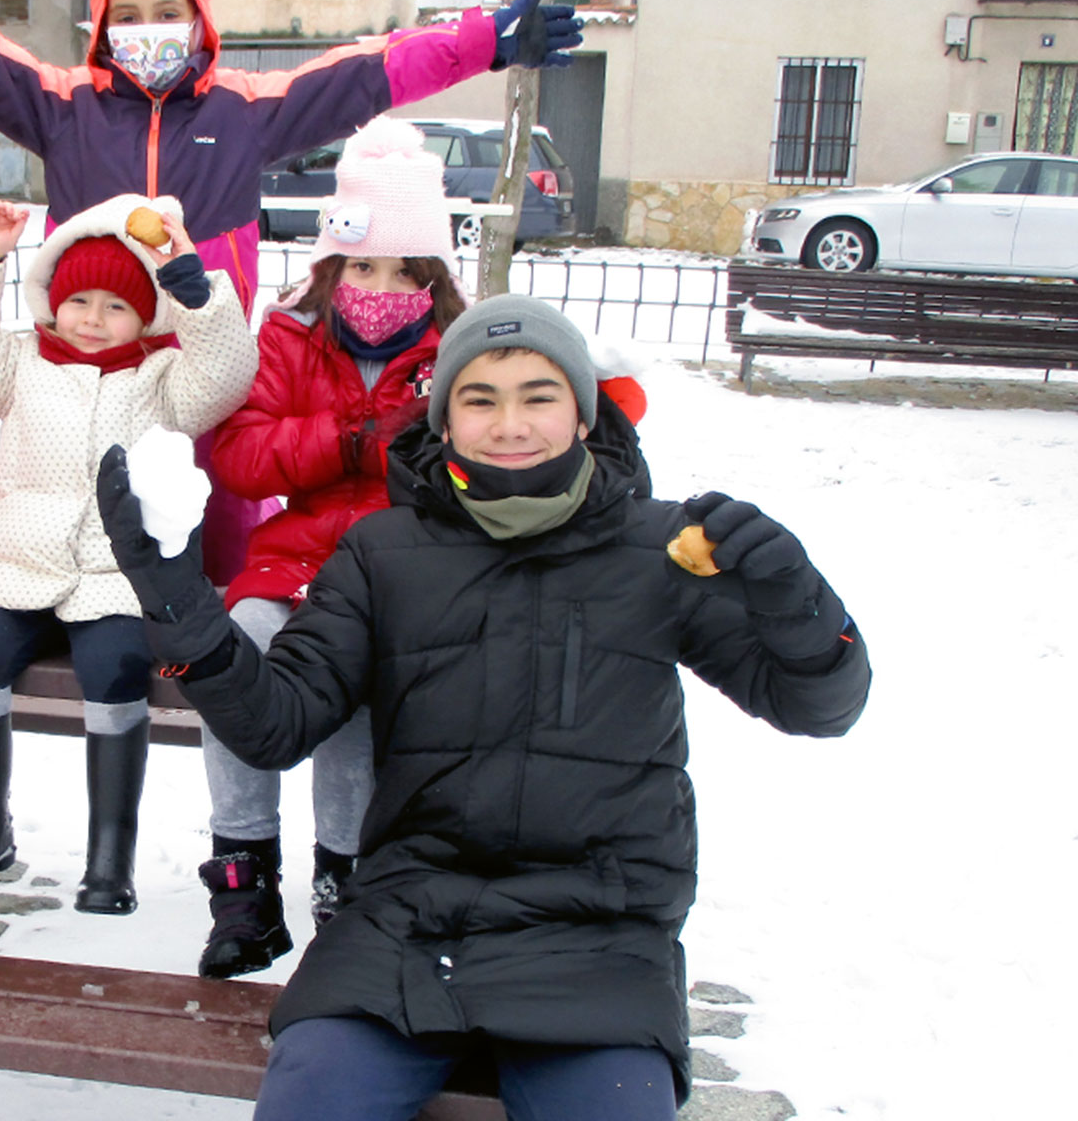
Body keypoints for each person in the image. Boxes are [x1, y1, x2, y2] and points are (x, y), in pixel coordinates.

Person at [95, 293, 870, 1119]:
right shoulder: (382, 551)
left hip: (597, 936)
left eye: (539, 396)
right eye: (479, 399)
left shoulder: (662, 550)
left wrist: (795, 597)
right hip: (404, 920)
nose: (510, 424)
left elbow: (819, 707)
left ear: (583, 414)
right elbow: (275, 725)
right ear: (444, 419)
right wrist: (176, 597)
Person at [0, 0, 583, 585]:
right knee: (80, 526)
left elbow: (370, 71)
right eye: (128, 15)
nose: (148, 30)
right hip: (89, 374)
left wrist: (489, 42)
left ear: (199, 17)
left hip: (199, 382)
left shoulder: (247, 110)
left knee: (220, 538)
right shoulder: (62, 108)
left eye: (167, 12)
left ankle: (220, 666)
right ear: (103, 25)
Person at [0, 194, 257, 914]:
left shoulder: (164, 381)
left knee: (116, 666)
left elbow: (227, 373)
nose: (92, 318)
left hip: (117, 577)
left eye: (115, 306)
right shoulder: (19, 365)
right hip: (21, 566)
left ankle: (110, 854)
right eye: (78, 300)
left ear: (145, 316)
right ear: (53, 302)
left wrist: (190, 285)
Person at [197, 116, 468, 976]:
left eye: (405, 271)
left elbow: (473, 472)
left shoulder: (456, 352)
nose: (381, 288)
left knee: (361, 681)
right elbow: (241, 456)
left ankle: (343, 883)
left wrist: (407, 452)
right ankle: (243, 880)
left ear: (433, 278)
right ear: (331, 265)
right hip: (292, 560)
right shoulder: (290, 334)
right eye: (362, 267)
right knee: (237, 656)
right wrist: (345, 441)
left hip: (397, 571)